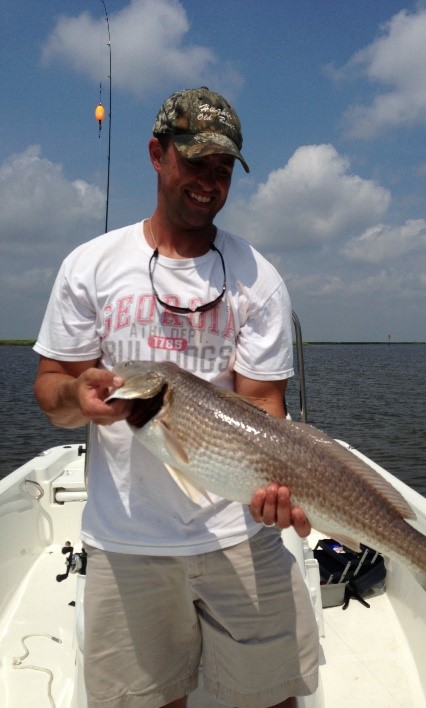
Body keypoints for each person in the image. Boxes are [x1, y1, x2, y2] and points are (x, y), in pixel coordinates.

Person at [33, 87, 319, 708]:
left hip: (241, 533)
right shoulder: (91, 266)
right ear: (157, 155)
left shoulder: (258, 278)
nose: (208, 182)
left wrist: (275, 492)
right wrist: (78, 396)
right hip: (126, 541)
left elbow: (265, 407)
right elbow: (51, 389)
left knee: (273, 698)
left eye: (223, 171)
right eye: (195, 162)